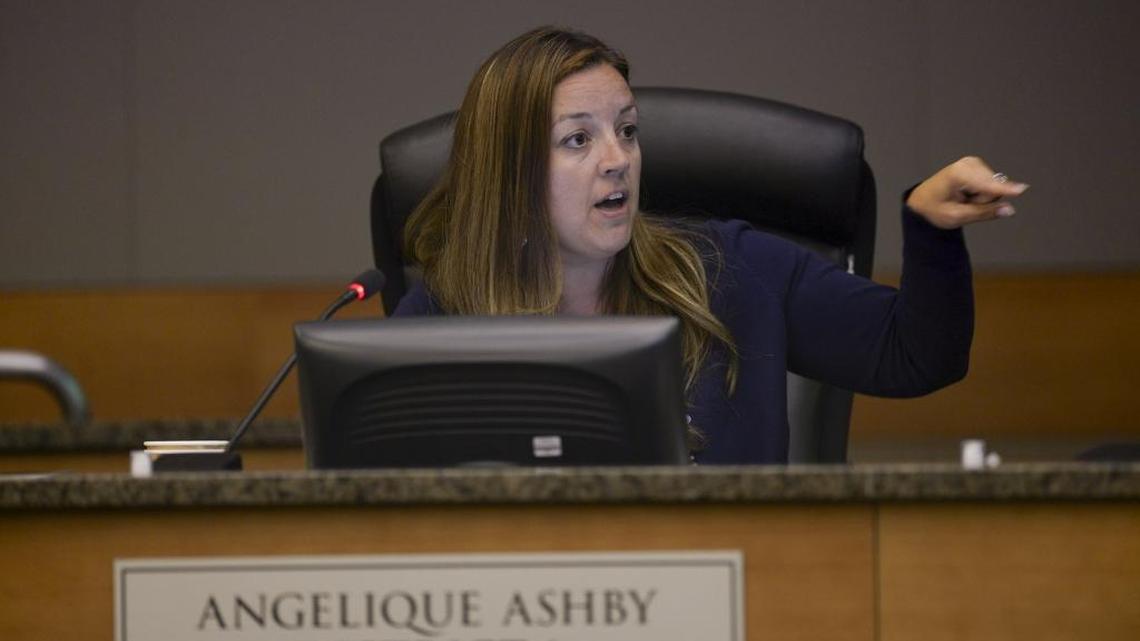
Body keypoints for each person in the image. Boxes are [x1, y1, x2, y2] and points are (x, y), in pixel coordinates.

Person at [392, 26, 1029, 463]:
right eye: (578, 140)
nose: (618, 160)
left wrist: (931, 231)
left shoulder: (731, 271)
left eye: (628, 130)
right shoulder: (439, 322)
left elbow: (915, 356)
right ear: (508, 172)